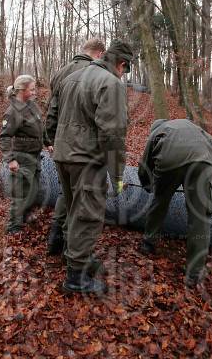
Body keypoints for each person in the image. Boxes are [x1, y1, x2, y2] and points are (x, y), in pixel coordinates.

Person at [48, 39, 132, 293]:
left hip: (63, 155)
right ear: (121, 64)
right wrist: (117, 175)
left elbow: (52, 112)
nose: (123, 75)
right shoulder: (111, 83)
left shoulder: (73, 76)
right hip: (86, 159)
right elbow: (113, 135)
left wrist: (52, 142)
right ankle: (76, 277)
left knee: (73, 208)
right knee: (88, 215)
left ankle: (73, 256)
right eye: (125, 70)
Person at [137, 119, 212, 287]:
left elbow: (145, 165)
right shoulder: (191, 126)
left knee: (159, 203)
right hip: (201, 161)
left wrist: (147, 185)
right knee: (199, 216)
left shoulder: (157, 132)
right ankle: (194, 273)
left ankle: (148, 244)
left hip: (169, 161)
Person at [45, 38, 106, 256]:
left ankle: (55, 240)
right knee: (81, 203)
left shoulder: (60, 73)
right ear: (99, 54)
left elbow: (51, 109)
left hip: (61, 144)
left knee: (67, 193)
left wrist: (50, 139)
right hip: (83, 148)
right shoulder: (95, 74)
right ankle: (74, 254)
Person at [0, 75, 44, 234]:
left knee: (33, 191)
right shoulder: (12, 112)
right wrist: (10, 160)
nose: (34, 92)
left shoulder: (32, 106)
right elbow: (4, 137)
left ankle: (23, 219)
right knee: (20, 195)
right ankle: (13, 229)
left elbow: (39, 128)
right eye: (31, 89)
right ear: (22, 90)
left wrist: (49, 143)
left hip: (35, 157)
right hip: (22, 157)